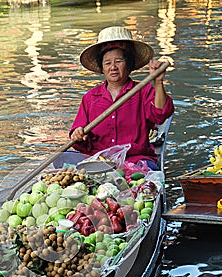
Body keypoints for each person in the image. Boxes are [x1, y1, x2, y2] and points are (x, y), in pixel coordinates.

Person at [69, 26, 174, 170]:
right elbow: (78, 139)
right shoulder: (90, 98)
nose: (113, 67)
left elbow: (161, 115)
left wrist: (158, 82)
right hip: (99, 163)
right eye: (107, 63)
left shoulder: (143, 91)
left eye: (118, 61)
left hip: (136, 161)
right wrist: (78, 134)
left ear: (128, 64)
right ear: (102, 68)